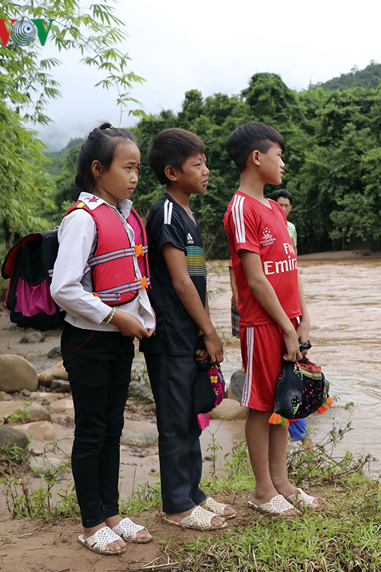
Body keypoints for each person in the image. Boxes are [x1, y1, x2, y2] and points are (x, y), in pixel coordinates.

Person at [50, 123, 155, 555]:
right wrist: (115, 317)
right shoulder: (82, 219)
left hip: (117, 339)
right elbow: (64, 288)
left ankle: (111, 513)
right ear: (98, 169)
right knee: (92, 430)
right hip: (89, 341)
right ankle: (92, 523)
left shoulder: (126, 216)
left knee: (113, 427)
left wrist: (140, 320)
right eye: (126, 167)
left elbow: (132, 278)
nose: (134, 176)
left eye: (137, 168)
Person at [139, 128, 233, 531]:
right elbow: (179, 283)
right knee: (175, 421)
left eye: (205, 162)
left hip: (188, 334)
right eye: (198, 165)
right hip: (170, 337)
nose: (206, 170)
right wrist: (209, 332)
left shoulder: (188, 214)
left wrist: (203, 332)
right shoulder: (164, 215)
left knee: (190, 416)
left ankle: (193, 493)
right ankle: (177, 505)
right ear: (172, 172)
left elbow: (198, 281)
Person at [223, 121, 319, 516]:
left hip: (289, 323)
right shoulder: (242, 207)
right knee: (262, 405)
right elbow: (255, 278)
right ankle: (263, 490)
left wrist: (303, 319)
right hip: (263, 324)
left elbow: (290, 269)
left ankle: (282, 482)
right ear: (256, 157)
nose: (284, 164)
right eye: (279, 155)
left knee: (283, 401)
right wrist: (284, 326)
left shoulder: (273, 209)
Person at [270, 189, 310, 446]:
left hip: (290, 307)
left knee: (291, 374)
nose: (283, 209)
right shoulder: (260, 222)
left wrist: (304, 318)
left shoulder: (290, 229)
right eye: (279, 204)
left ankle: (300, 437)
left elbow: (292, 267)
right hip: (274, 309)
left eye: (286, 205)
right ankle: (298, 438)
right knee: (284, 377)